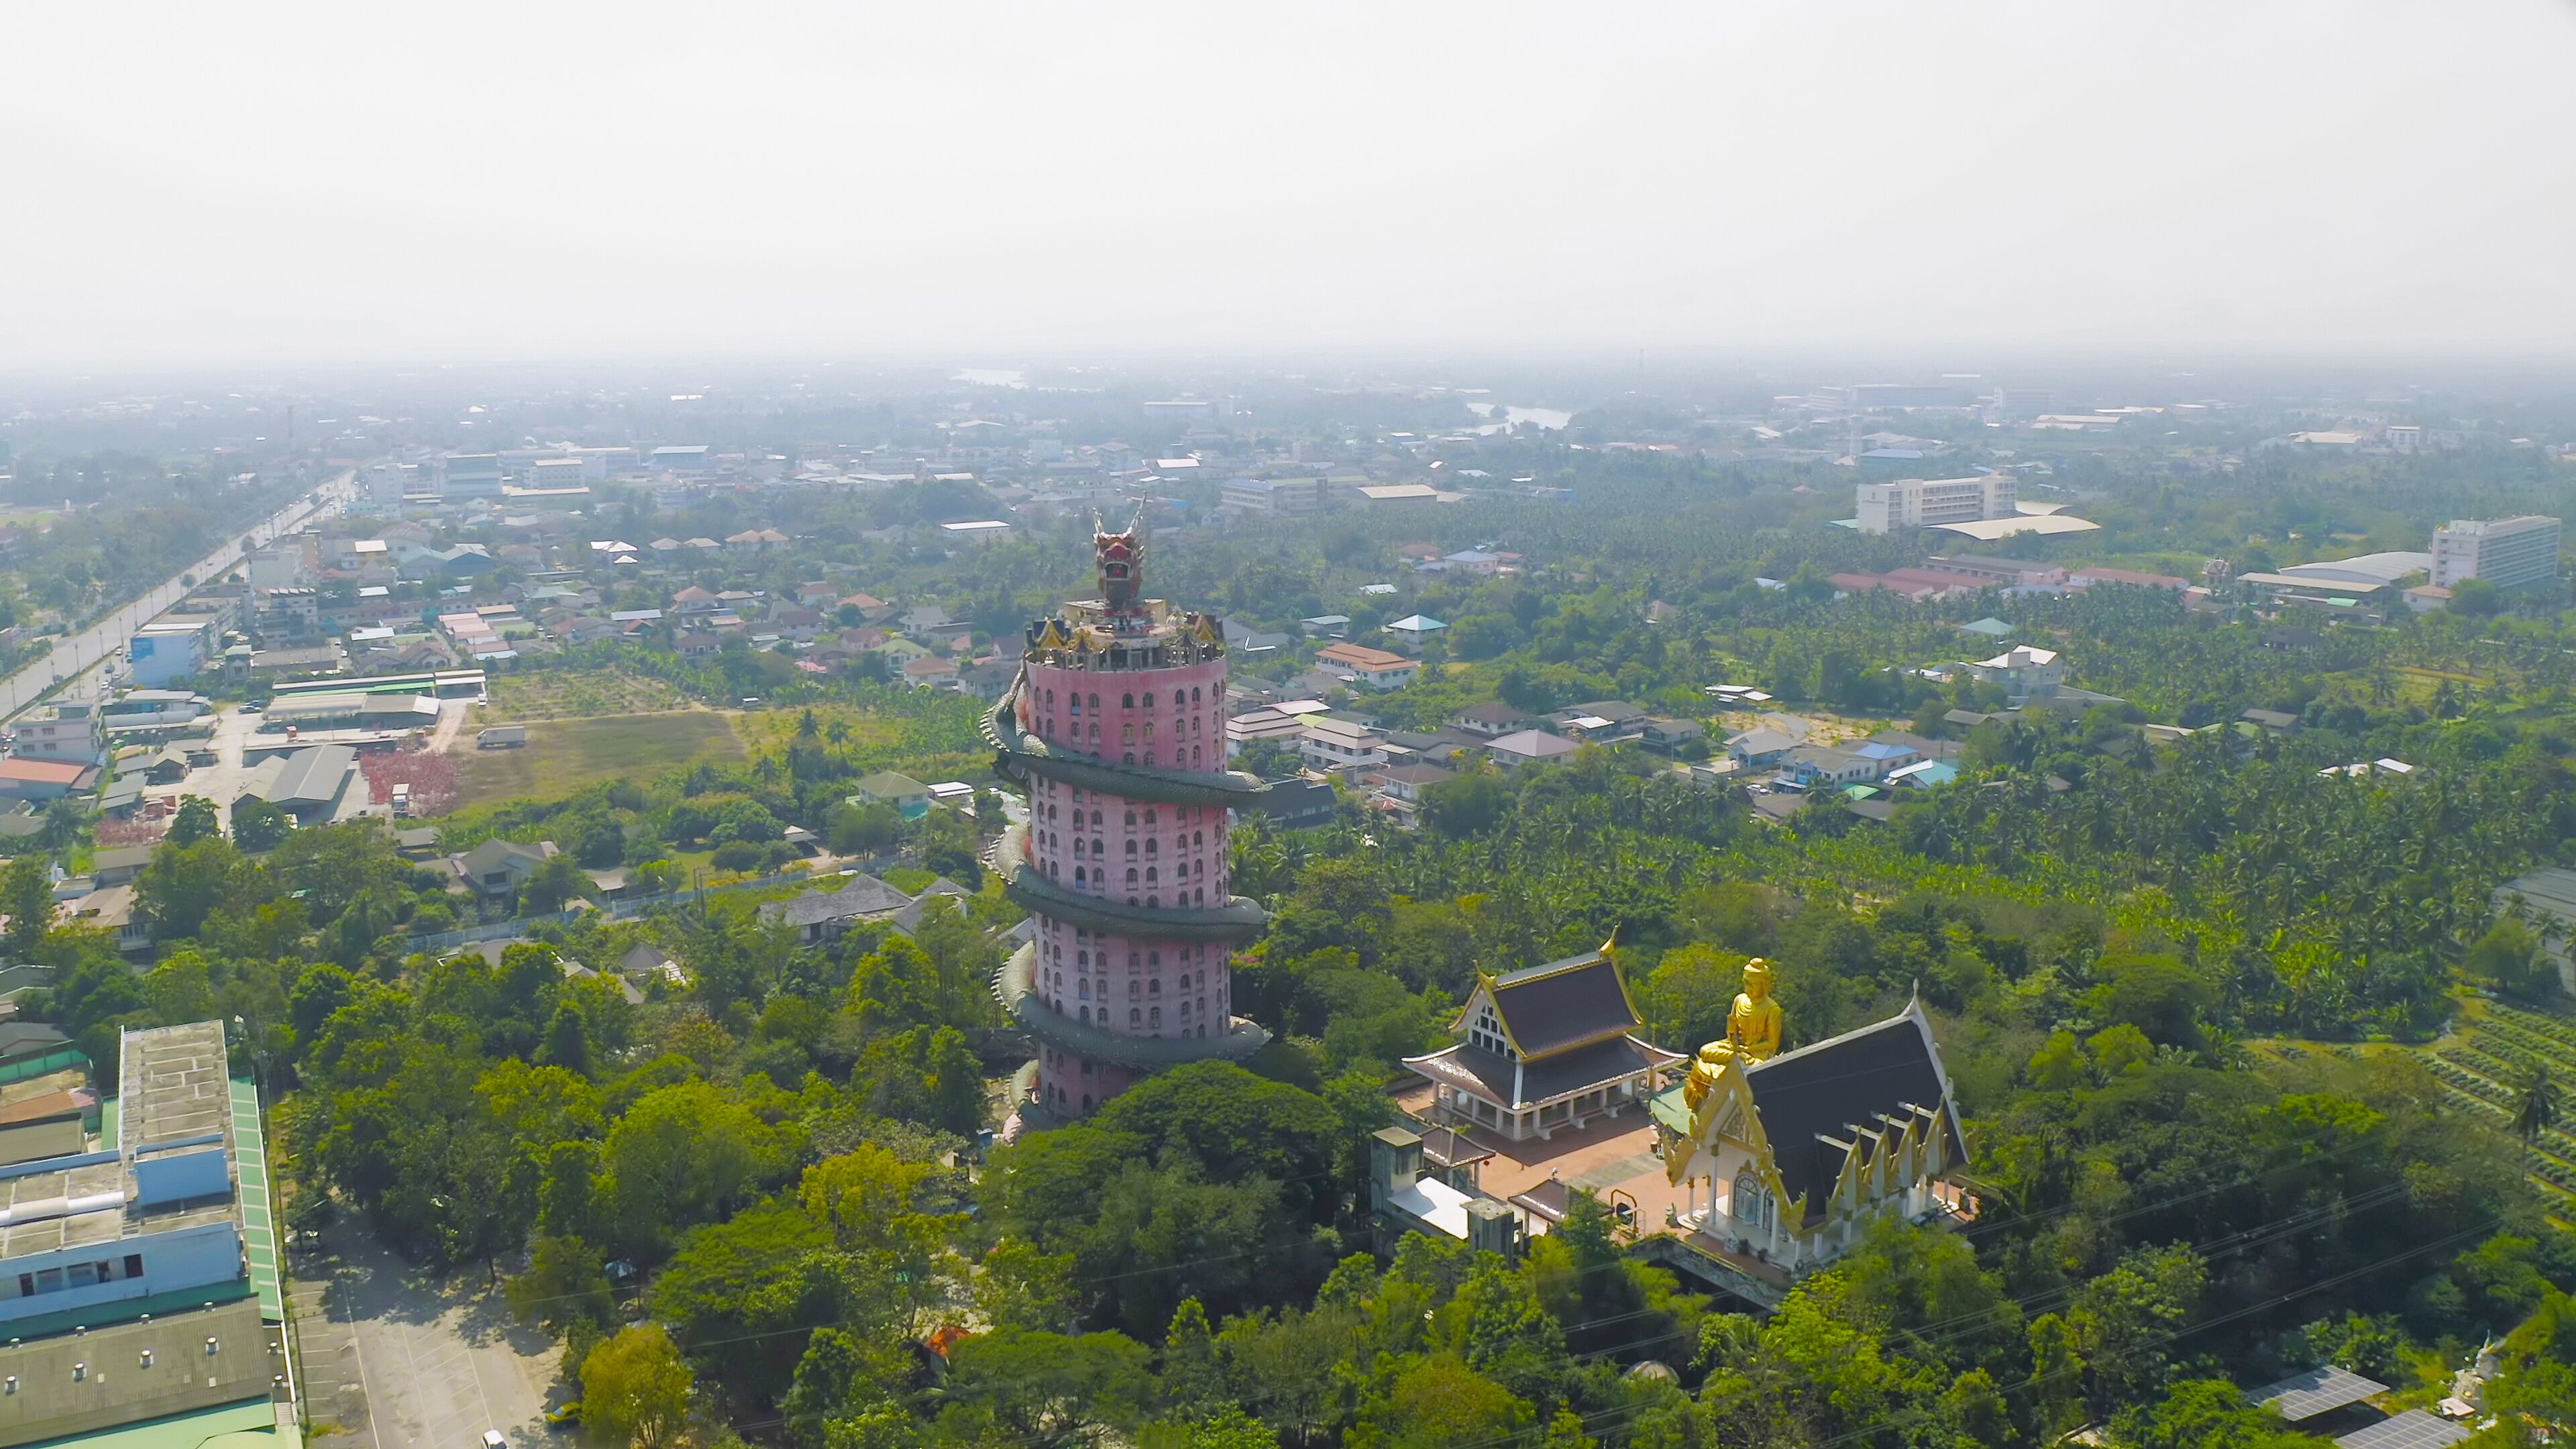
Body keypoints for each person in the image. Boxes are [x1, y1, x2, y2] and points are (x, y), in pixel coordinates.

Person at [1726, 958, 1784, 1061]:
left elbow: (1773, 1044)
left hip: (1758, 1054)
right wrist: (1732, 1034)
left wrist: (1747, 1049)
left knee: (1748, 1060)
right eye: (1745, 984)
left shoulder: (1772, 1009)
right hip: (1737, 1049)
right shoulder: (1739, 1000)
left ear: (1764, 986)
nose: (1747, 989)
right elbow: (1731, 1033)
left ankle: (1743, 1059)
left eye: (1752, 985)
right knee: (1706, 1050)